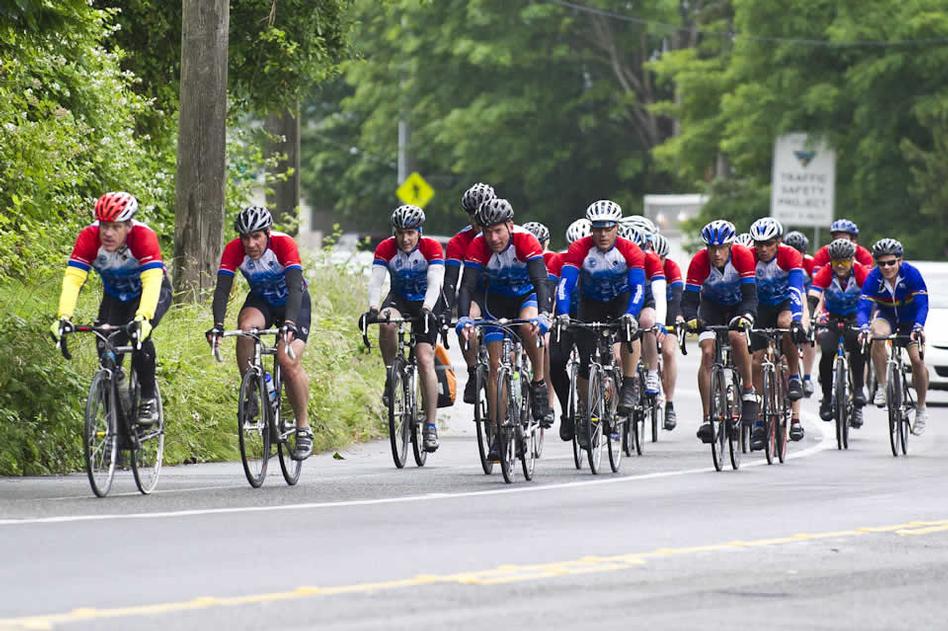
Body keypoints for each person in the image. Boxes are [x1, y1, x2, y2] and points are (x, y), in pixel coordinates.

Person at [51, 192, 172, 427]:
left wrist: (143, 317)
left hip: (151, 293)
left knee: (140, 336)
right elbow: (74, 279)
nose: (107, 233)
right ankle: (116, 426)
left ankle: (148, 398)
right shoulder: (89, 237)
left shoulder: (143, 237)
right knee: (106, 350)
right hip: (116, 296)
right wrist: (64, 316)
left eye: (115, 227)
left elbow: (152, 281)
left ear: (128, 225)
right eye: (104, 225)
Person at [206, 205, 314, 460]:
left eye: (256, 236)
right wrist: (218, 325)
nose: (251, 243)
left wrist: (289, 323)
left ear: (267, 233)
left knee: (287, 360)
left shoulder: (283, 245)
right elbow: (222, 290)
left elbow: (296, 287)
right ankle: (254, 388)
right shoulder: (234, 250)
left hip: (293, 302)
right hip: (262, 300)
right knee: (245, 331)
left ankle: (303, 428)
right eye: (245, 237)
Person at [456, 198, 552, 458]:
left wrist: (543, 315)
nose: (493, 237)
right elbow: (467, 286)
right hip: (495, 301)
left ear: (510, 225)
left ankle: (539, 382)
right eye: (487, 231)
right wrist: (464, 317)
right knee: (495, 370)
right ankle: (499, 434)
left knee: (529, 326)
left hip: (525, 297)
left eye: (498, 230)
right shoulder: (478, 245)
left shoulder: (526, 240)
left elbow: (541, 281)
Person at [556, 200, 646, 445]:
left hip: (621, 299)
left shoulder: (630, 250)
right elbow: (565, 284)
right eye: (597, 229)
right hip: (591, 302)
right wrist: (563, 312)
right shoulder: (579, 249)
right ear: (591, 229)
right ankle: (587, 412)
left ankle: (628, 384)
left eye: (608, 228)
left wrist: (631, 313)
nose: (603, 234)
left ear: (617, 227)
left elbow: (639, 287)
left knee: (630, 331)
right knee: (585, 361)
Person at [362, 205, 445, 452]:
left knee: (424, 359)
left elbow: (435, 283)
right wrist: (373, 308)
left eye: (410, 232)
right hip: (399, 297)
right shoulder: (385, 248)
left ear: (419, 231)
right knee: (387, 323)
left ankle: (430, 425)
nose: (405, 238)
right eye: (400, 233)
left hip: (428, 302)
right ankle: (392, 374)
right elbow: (376, 282)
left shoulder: (431, 247)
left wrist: (428, 308)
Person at [680, 220, 758, 444]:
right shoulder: (698, 262)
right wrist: (691, 319)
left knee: (736, 336)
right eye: (711, 248)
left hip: (738, 306)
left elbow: (751, 295)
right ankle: (707, 418)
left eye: (722, 248)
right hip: (711, 308)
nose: (716, 253)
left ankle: (748, 390)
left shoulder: (743, 256)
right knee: (706, 352)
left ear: (731, 246)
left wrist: (747, 317)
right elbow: (689, 300)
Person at [858, 238, 930, 435]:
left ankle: (921, 408)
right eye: (882, 263)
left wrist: (919, 326)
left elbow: (923, 303)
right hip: (886, 316)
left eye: (891, 262)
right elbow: (864, 306)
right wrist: (863, 326)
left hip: (909, 320)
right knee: (877, 335)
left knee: (917, 360)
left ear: (900, 260)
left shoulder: (911, 274)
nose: (887, 267)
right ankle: (882, 385)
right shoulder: (873, 278)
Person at [747, 217, 807, 448]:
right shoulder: (749, 256)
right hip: (760, 307)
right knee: (757, 359)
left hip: (783, 303)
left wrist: (798, 320)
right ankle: (760, 422)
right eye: (758, 243)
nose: (762, 248)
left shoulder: (790, 255)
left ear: (778, 242)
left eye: (768, 243)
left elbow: (795, 289)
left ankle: (793, 376)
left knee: (786, 324)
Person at [808, 238, 869, 427]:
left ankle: (858, 389)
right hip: (831, 315)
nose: (841, 266)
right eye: (836, 262)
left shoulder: (860, 271)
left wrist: (868, 321)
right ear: (831, 261)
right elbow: (813, 297)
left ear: (852, 259)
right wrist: (809, 318)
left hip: (855, 314)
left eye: (845, 261)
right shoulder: (826, 272)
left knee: (857, 345)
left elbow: (871, 298)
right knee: (827, 350)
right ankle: (827, 398)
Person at [444, 182, 495, 405]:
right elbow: (451, 281)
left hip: (505, 291)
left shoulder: (502, 232)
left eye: (480, 212)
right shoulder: (459, 241)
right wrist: (446, 311)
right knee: (468, 325)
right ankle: (474, 371)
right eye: (471, 214)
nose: (476, 219)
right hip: (477, 292)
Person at [616, 222, 666, 411]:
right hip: (622, 301)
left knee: (647, 322)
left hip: (645, 299)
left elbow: (660, 293)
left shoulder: (651, 258)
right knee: (618, 357)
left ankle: (652, 372)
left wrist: (660, 322)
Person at [549, 218, 591, 441]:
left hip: (589, 316)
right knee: (555, 362)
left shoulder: (598, 260)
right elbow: (549, 288)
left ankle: (588, 411)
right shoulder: (559, 260)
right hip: (565, 317)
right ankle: (568, 412)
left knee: (588, 362)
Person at [523, 220, 557, 429]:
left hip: (545, 306)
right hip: (525, 304)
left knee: (546, 343)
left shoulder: (551, 258)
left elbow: (551, 290)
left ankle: (549, 403)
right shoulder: (519, 254)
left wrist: (549, 316)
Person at [650, 232, 684, 430]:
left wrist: (678, 317)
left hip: (669, 309)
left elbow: (678, 296)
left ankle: (669, 403)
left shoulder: (671, 267)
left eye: (661, 258)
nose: (657, 261)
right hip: (648, 309)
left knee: (669, 351)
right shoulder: (642, 264)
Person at [784, 230, 817, 397]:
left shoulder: (810, 263)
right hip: (788, 301)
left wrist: (812, 313)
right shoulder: (783, 260)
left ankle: (807, 377)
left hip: (807, 301)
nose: (797, 255)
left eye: (800, 252)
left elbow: (819, 289)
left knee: (809, 335)